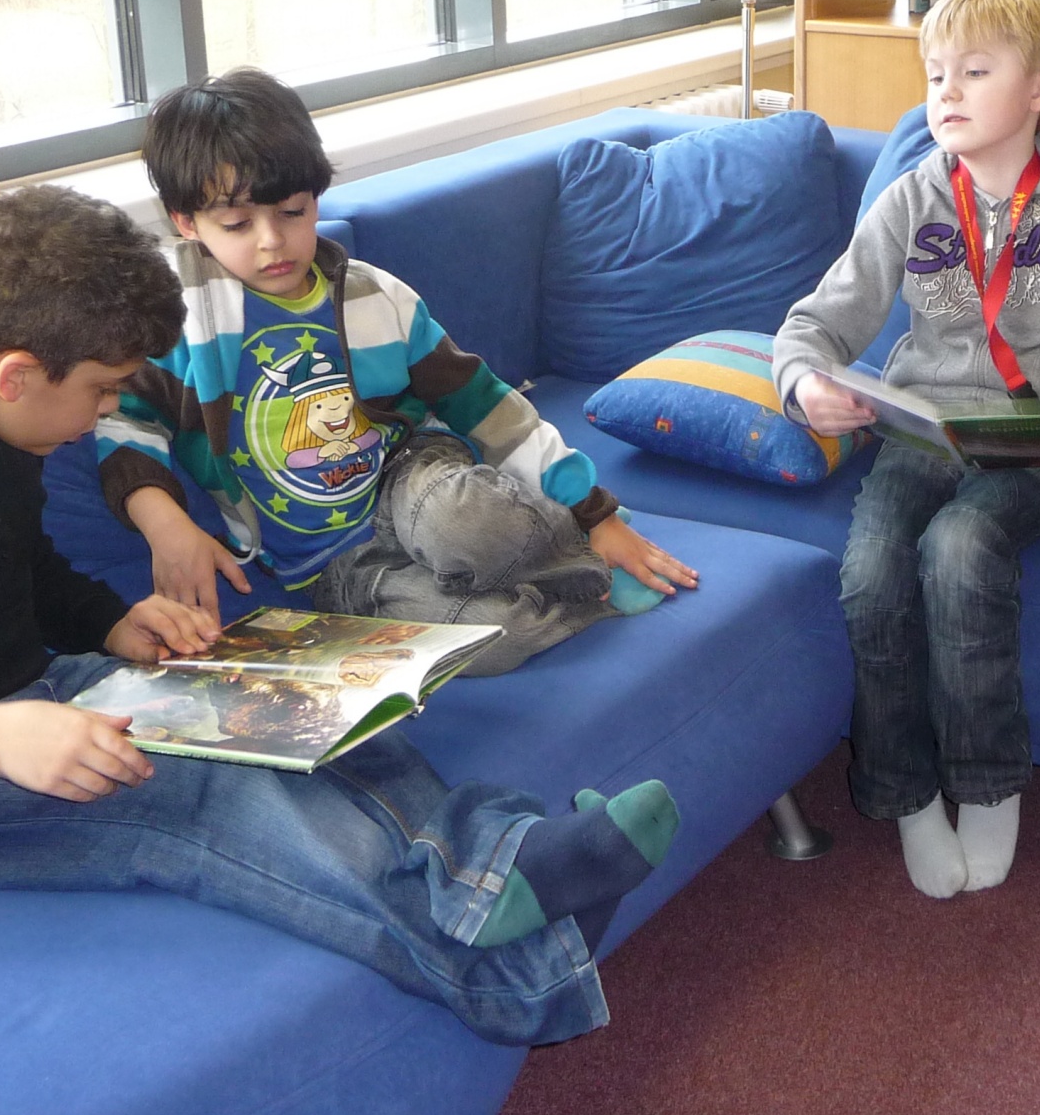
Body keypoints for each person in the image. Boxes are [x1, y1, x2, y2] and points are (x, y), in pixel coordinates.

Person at [0, 187, 677, 1046]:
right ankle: (519, 967)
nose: (101, 418)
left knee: (300, 713)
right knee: (195, 793)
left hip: (23, 696)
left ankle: (501, 868)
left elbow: (18, 567)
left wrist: (111, 622)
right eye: (100, 392)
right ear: (16, 373)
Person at [773, 0, 1040, 898]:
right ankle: (907, 793)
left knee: (961, 547)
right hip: (925, 431)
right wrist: (805, 386)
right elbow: (813, 325)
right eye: (935, 76)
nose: (946, 93)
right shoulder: (912, 197)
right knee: (872, 569)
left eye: (973, 71)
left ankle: (989, 785)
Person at [101, 67, 697, 675]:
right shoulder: (176, 324)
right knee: (494, 640)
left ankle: (576, 543)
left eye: (292, 212)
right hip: (333, 569)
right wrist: (164, 523)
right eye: (236, 225)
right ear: (185, 222)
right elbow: (119, 419)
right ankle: (578, 582)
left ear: (315, 199)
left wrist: (596, 513)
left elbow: (486, 404)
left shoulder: (376, 298)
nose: (271, 241)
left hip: (410, 479)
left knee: (470, 527)